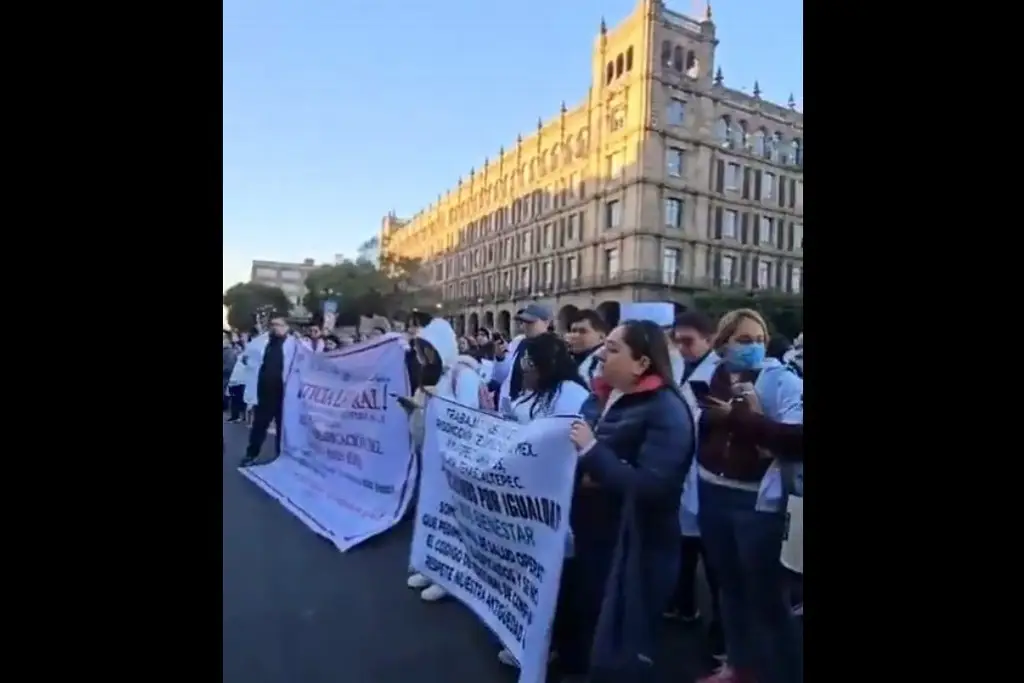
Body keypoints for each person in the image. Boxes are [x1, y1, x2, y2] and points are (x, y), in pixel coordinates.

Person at [551, 320, 694, 680]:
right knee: (592, 615)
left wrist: (593, 451)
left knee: (626, 636)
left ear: (642, 364)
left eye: (613, 349)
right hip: (595, 533)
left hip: (637, 546)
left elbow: (652, 486)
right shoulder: (600, 394)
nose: (601, 353)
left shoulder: (666, 410)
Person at [694, 309, 803, 683]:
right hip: (712, 493)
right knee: (729, 589)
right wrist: (711, 419)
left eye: (759, 340)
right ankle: (738, 666)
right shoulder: (711, 375)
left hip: (758, 503)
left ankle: (785, 673)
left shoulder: (782, 381)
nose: (753, 347)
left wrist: (743, 418)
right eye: (744, 340)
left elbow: (797, 438)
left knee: (769, 599)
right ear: (723, 344)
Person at [497, 332, 590, 669]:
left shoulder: (572, 395)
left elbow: (560, 444)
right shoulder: (534, 392)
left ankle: (551, 647)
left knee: (555, 578)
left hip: (553, 499)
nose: (526, 371)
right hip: (525, 494)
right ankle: (529, 637)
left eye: (531, 365)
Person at [405, 317, 485, 601]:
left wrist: (437, 399)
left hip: (454, 459)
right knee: (431, 512)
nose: (426, 355)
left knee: (453, 518)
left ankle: (450, 576)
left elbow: (467, 415)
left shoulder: (463, 375)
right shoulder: (433, 374)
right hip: (431, 454)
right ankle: (430, 566)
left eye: (430, 349)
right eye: (422, 349)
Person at [667, 311, 726, 665]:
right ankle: (684, 603)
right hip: (683, 470)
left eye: (689, 341)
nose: (682, 347)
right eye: (678, 340)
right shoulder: (678, 367)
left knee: (715, 560)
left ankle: (721, 633)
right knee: (684, 544)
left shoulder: (719, 373)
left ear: (709, 339)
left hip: (708, 472)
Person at [240, 315, 298, 467]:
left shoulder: (295, 344)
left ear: (287, 327)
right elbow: (248, 357)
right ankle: (251, 454)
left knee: (283, 427)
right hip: (264, 391)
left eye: (278, 325)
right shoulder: (263, 342)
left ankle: (281, 456)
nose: (274, 327)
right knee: (259, 425)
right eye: (272, 324)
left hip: (284, 393)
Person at [497, 304, 552, 416]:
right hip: (510, 406)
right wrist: (500, 359)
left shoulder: (553, 349)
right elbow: (506, 374)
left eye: (531, 322)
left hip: (532, 412)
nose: (525, 326)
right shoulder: (520, 342)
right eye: (523, 322)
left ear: (546, 322)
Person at [567, 309, 607, 389]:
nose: (575, 335)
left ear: (601, 337)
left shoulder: (604, 363)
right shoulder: (568, 359)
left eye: (583, 331)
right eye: (573, 331)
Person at [226, 344, 249, 423]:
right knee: (235, 399)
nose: (235, 350)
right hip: (235, 381)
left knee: (239, 399)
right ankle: (235, 416)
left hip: (240, 381)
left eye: (237, 348)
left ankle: (239, 416)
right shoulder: (237, 358)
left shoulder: (244, 356)